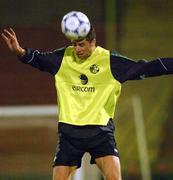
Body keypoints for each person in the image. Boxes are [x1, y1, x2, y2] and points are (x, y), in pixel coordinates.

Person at [1, 11, 173, 180]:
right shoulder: (63, 58)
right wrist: (19, 51)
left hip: (100, 132)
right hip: (69, 133)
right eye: (74, 44)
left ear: (93, 42)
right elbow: (39, 59)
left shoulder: (110, 61)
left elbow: (148, 68)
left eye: (81, 44)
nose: (77, 49)